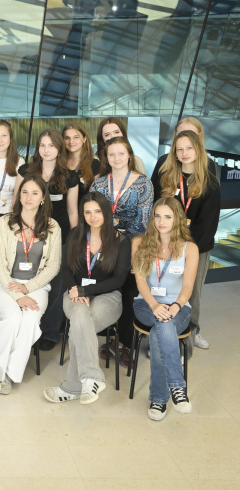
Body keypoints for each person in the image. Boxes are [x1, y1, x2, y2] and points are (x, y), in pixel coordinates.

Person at [43, 192, 131, 405]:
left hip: (108, 297)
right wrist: (75, 288)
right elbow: (65, 268)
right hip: (74, 293)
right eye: (88, 212)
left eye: (98, 211)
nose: (93, 217)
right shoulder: (76, 235)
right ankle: (92, 378)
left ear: (107, 212)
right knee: (81, 316)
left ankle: (72, 387)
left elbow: (118, 280)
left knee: (80, 326)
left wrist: (86, 291)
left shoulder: (121, 241)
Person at [0, 176, 61, 394]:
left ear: (42, 198)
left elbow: (53, 266)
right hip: (5, 284)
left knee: (30, 319)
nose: (29, 197)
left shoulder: (52, 226)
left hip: (36, 286)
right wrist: (18, 294)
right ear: (19, 196)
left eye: (35, 193)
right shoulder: (2, 224)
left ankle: (10, 375)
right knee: (12, 319)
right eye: (25, 192)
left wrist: (28, 288)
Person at [151, 130, 220, 353]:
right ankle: (161, 340)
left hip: (196, 248)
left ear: (198, 149)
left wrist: (182, 249)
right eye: (179, 149)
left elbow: (207, 225)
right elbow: (157, 212)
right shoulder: (167, 177)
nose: (184, 153)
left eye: (189, 148)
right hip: (163, 246)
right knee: (163, 290)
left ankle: (185, 344)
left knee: (191, 295)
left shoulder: (210, 183)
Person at [132, 198, 198, 421]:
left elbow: (188, 286)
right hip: (146, 304)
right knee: (162, 322)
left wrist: (176, 306)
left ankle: (159, 398)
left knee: (161, 329)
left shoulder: (190, 248)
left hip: (179, 307)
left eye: (167, 216)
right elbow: (140, 282)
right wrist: (154, 304)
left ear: (177, 218)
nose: (161, 221)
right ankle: (178, 387)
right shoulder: (140, 242)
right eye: (157, 216)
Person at [91, 137, 153, 365]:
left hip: (133, 248)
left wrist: (120, 240)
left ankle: (125, 344)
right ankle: (109, 340)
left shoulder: (144, 183)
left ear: (129, 155)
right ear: (106, 158)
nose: (116, 158)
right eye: (111, 154)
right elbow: (93, 215)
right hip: (103, 247)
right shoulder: (98, 184)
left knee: (128, 294)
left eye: (120, 153)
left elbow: (144, 221)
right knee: (106, 292)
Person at [18, 129, 79, 351]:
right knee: (31, 280)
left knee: (56, 284)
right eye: (42, 145)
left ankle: (50, 332)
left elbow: (73, 212)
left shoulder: (70, 176)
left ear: (59, 149)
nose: (46, 150)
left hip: (59, 238)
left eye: (51, 146)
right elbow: (18, 203)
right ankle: (28, 327)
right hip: (29, 236)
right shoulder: (26, 171)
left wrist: (73, 240)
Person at [150, 117, 217, 180]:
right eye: (181, 134)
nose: (184, 138)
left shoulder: (208, 165)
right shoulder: (163, 161)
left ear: (199, 136)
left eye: (191, 134)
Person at [63, 122, 100, 192]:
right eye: (67, 138)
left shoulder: (95, 165)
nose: (71, 141)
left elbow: (96, 195)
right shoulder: (59, 163)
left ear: (84, 139)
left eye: (76, 137)